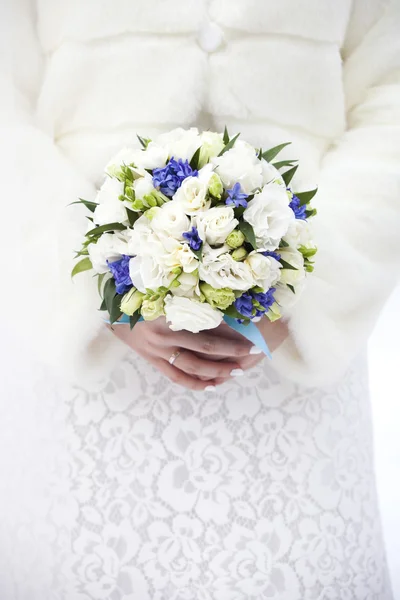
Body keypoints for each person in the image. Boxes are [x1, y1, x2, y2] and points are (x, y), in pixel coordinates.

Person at [1, 0, 399, 597]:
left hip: (287, 364)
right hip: (94, 369)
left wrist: (305, 286)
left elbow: (389, 94)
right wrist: (97, 292)